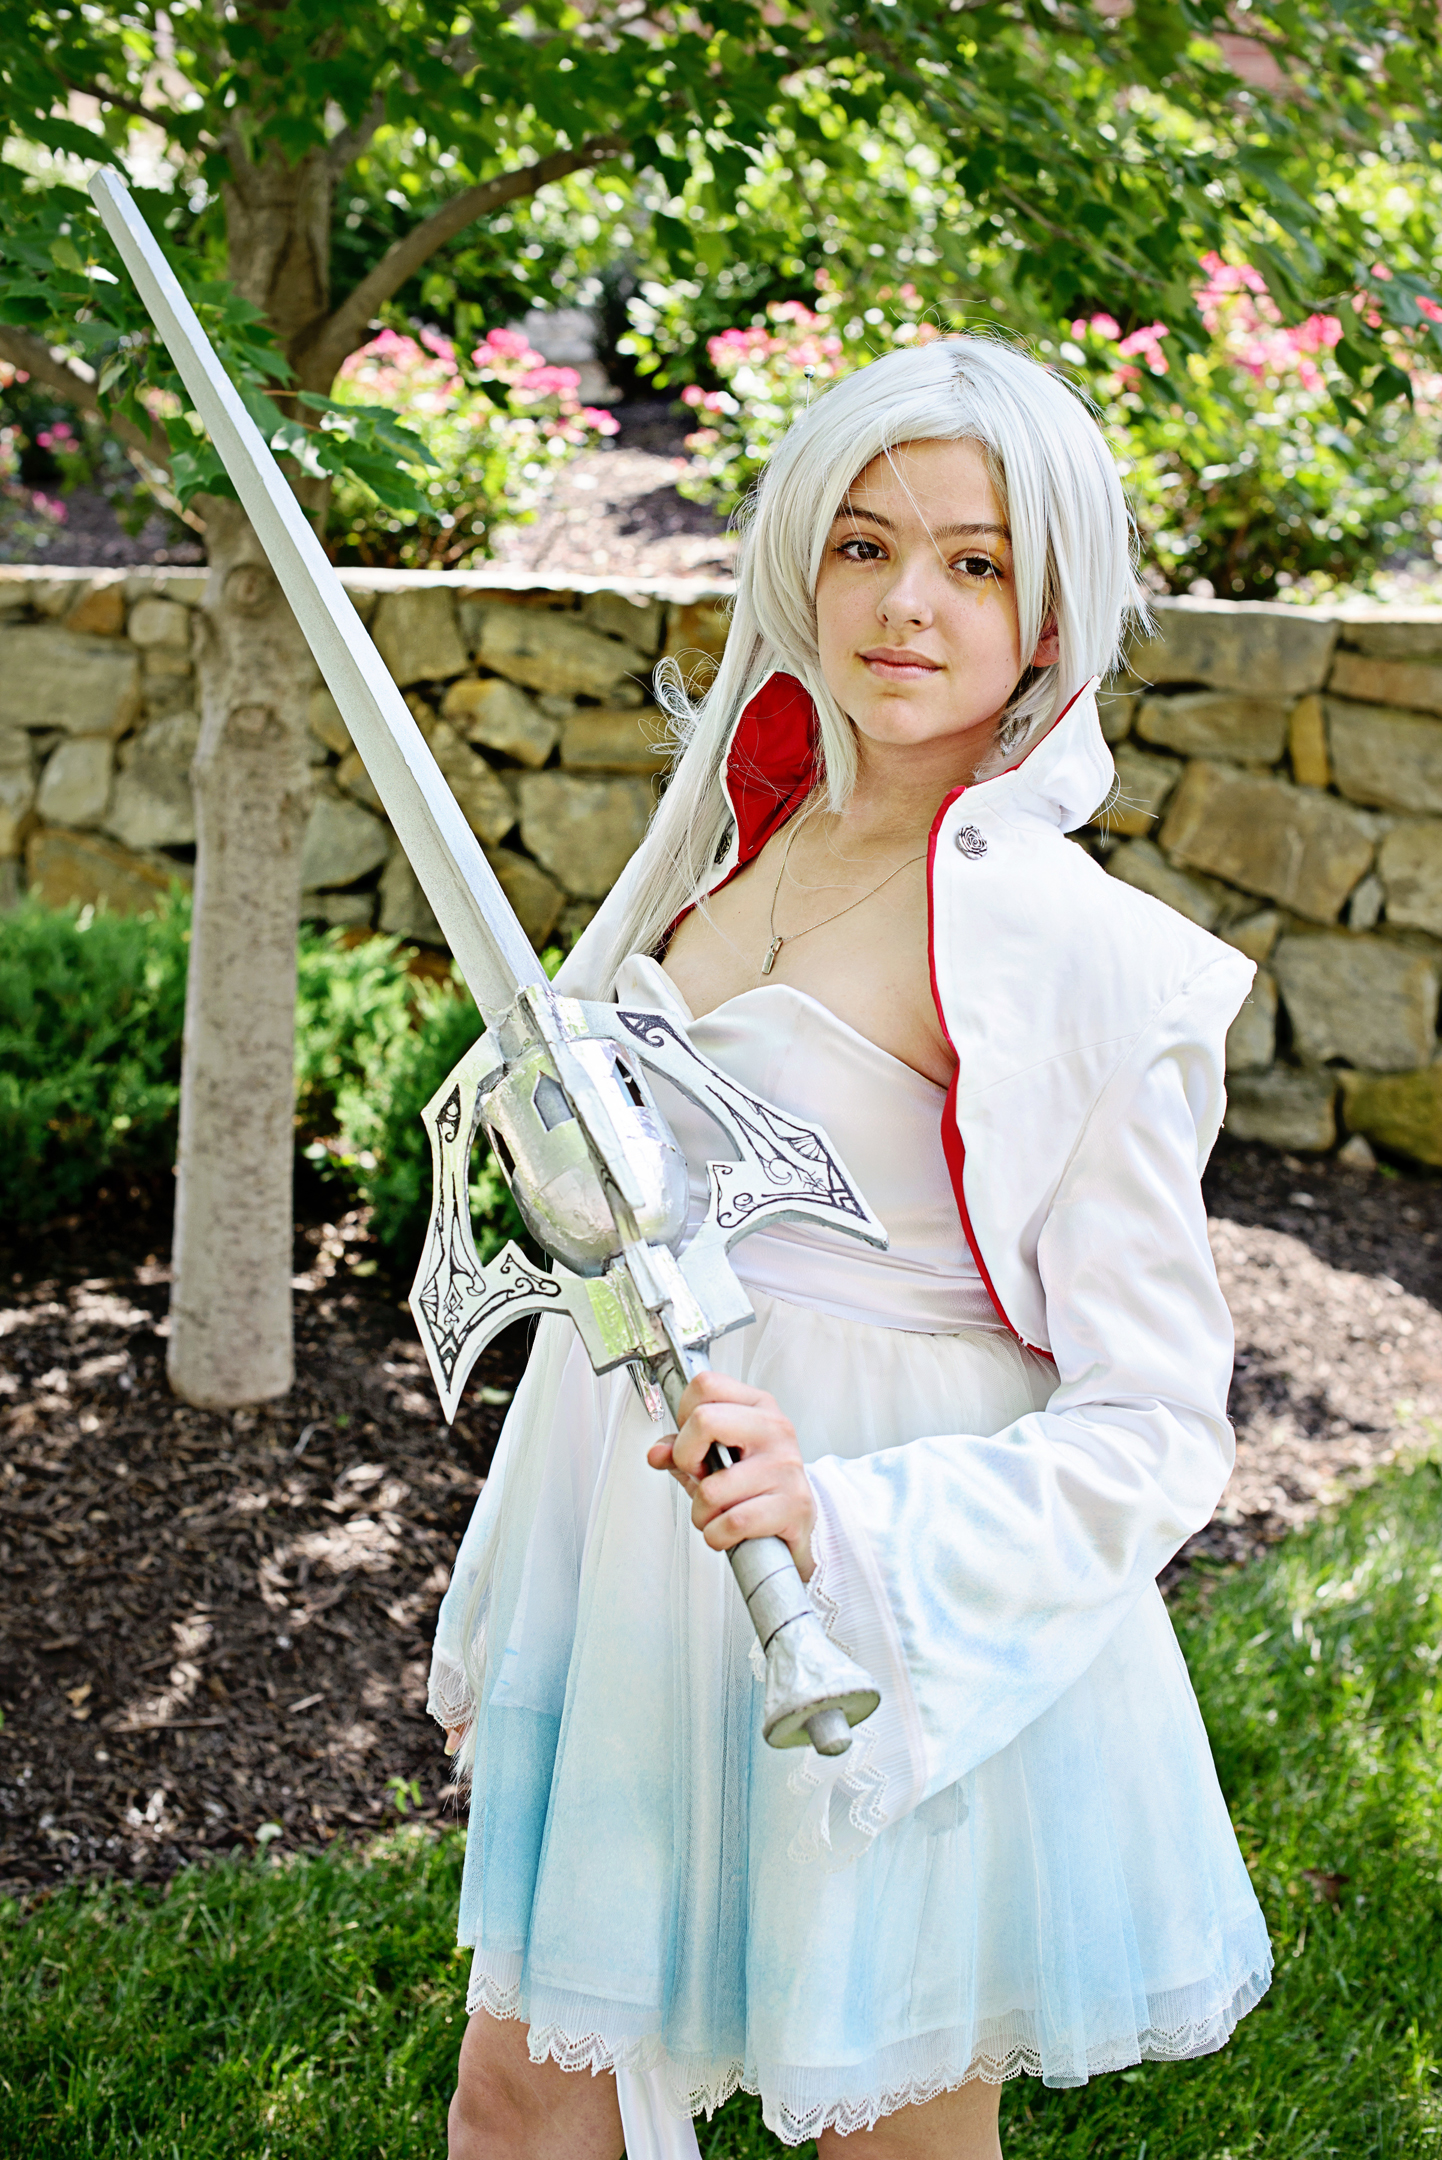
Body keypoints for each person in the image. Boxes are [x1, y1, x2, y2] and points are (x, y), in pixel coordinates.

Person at [428, 335, 1272, 2160]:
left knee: (878, 2129)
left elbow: (1157, 1424)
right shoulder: (715, 845)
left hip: (871, 1583)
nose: (906, 605)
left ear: (1049, 614)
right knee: (522, 2096)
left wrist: (849, 1525)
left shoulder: (1080, 958)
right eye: (864, 545)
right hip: (637, 1526)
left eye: (975, 562)